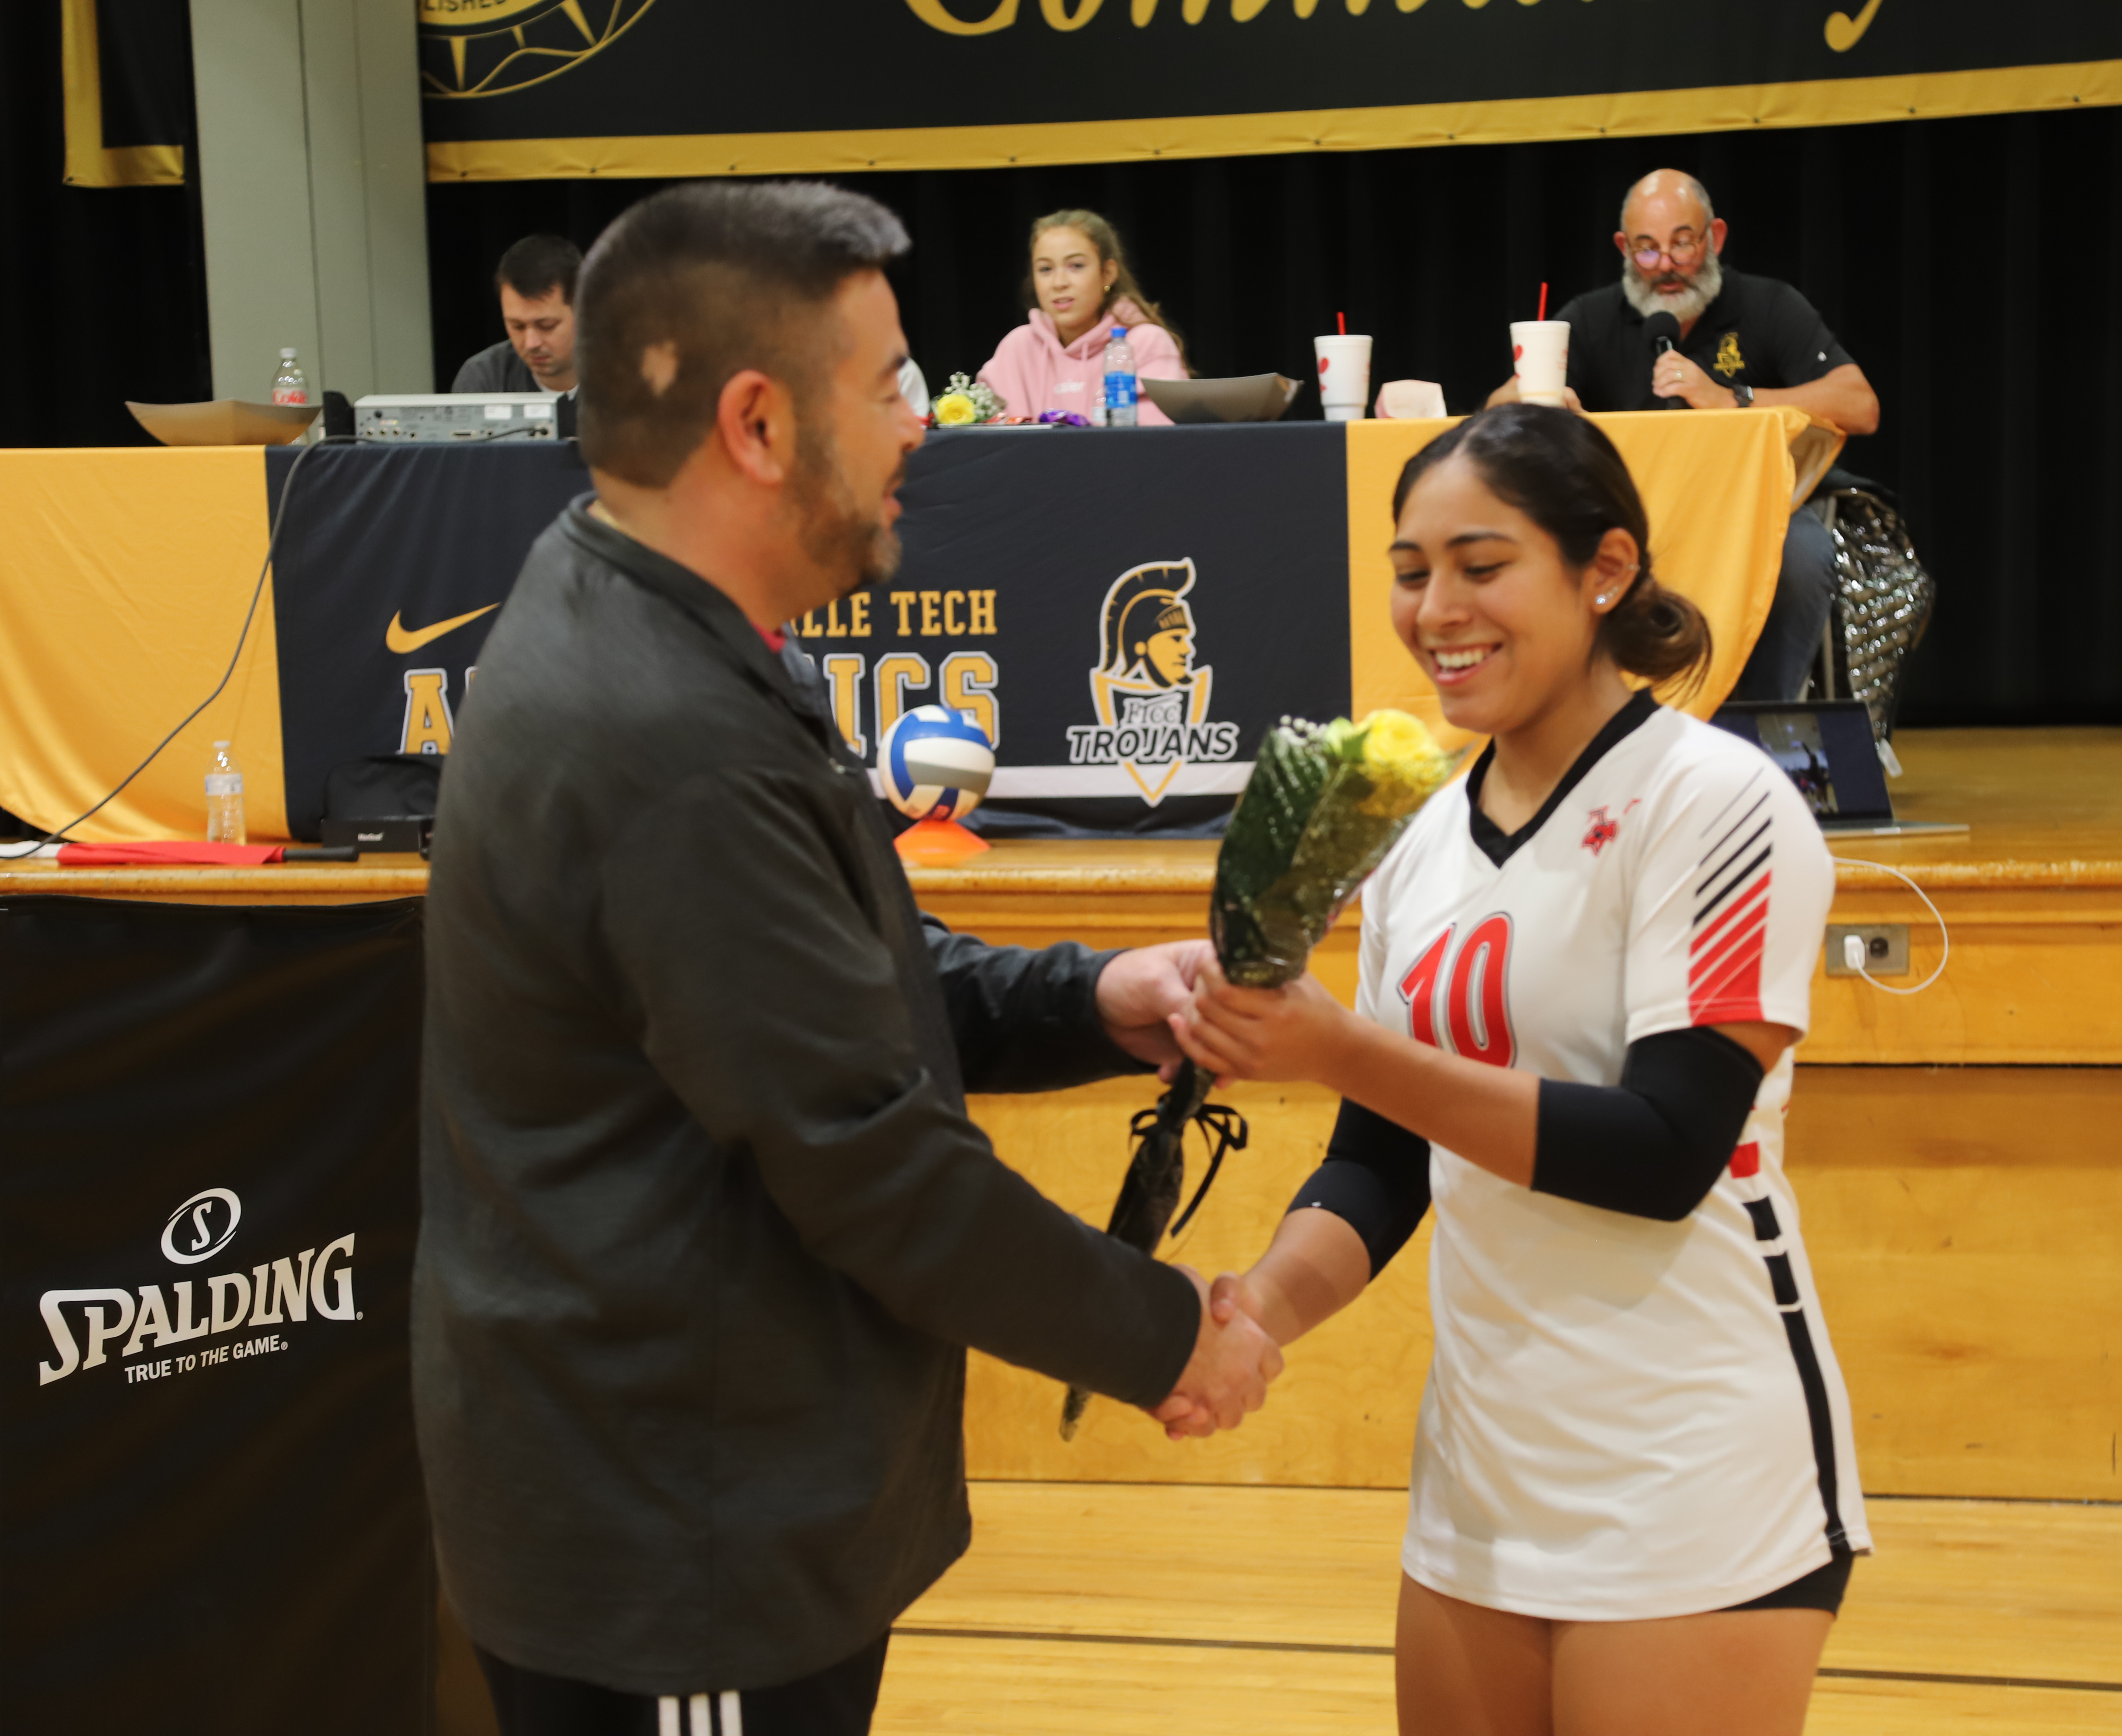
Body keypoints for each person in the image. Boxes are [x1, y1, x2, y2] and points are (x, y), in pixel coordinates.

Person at [414, 181, 1282, 1736]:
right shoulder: (658, 734)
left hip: (711, 1489)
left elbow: (830, 978)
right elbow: (871, 1162)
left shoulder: (661, 606)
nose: (920, 425)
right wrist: (1165, 1336)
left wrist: (1086, 997)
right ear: (756, 424)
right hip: (677, 1540)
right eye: (886, 384)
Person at [1170, 404, 1870, 1736]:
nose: (1436, 609)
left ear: (1604, 570)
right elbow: (1378, 1163)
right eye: (1410, 568)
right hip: (1482, 1474)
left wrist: (1338, 1044)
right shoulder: (1422, 844)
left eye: (1482, 566)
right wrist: (1258, 1312)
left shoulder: (1717, 802)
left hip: (1691, 1467)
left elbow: (1664, 1151)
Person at [1496, 170, 1882, 702]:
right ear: (1623, 249)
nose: (1667, 266)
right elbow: (1497, 407)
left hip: (1752, 510)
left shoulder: (1769, 305)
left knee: (1802, 555)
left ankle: (1765, 720)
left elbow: (1860, 405)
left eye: (1682, 243)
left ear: (1715, 238)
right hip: (1632, 517)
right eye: (1647, 250)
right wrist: (1541, 401)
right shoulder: (1590, 318)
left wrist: (1735, 399)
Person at [976, 209, 1186, 425]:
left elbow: (1157, 442)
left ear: (1108, 273)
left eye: (1076, 266)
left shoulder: (1146, 343)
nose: (1059, 283)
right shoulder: (1017, 347)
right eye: (1046, 269)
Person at [452, 233, 582, 394]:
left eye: (547, 326)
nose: (531, 343)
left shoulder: (621, 371)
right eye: (518, 326)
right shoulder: (484, 377)